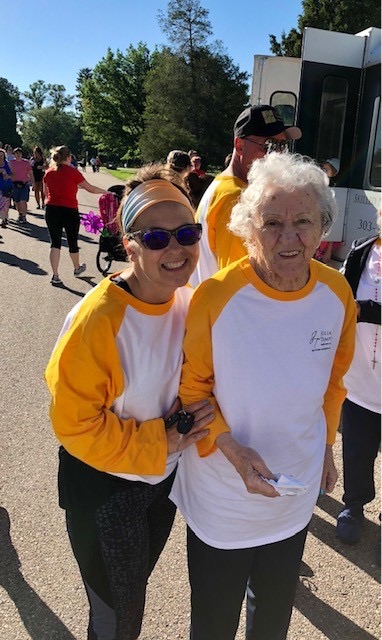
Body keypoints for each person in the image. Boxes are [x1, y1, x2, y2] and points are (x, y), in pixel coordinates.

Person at [170, 152, 357, 640]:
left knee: (273, 617)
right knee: (212, 622)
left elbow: (334, 383)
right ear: (249, 229)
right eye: (271, 222)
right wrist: (231, 449)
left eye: (303, 221)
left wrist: (327, 446)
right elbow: (192, 390)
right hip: (221, 492)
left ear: (323, 228)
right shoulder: (215, 295)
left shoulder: (338, 294)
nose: (289, 237)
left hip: (292, 490)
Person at [44, 163, 214, 640]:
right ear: (129, 243)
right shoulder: (96, 320)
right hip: (105, 492)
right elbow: (74, 426)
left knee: (132, 596)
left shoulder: (189, 302)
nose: (176, 249)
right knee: (118, 619)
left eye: (186, 232)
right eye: (157, 239)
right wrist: (163, 437)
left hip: (160, 484)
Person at [191, 104, 302, 285]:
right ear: (239, 145)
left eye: (282, 145)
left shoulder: (226, 186)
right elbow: (241, 283)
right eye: (268, 145)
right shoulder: (236, 199)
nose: (277, 155)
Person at [336, 213, 381, 545]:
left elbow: (357, 307)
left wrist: (365, 309)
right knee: (355, 451)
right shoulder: (361, 252)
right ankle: (354, 504)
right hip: (360, 384)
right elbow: (340, 299)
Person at [43, 145, 107, 285]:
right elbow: (90, 188)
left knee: (55, 243)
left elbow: (45, 192)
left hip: (52, 209)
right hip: (69, 210)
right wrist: (106, 192)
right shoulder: (73, 173)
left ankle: (55, 275)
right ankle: (77, 268)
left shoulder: (48, 173)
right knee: (72, 241)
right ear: (68, 157)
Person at [9, 148, 33, 224]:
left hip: (24, 184)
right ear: (14, 155)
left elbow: (31, 173)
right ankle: (20, 214)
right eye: (16, 153)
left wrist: (33, 183)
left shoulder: (26, 162)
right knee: (16, 202)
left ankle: (24, 217)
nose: (18, 155)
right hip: (14, 184)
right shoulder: (11, 163)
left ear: (22, 154)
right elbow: (8, 173)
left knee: (23, 201)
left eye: (19, 153)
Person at [0, 148, 14, 228]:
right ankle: (3, 219)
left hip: (7, 186)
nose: (0, 157)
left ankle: (5, 218)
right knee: (1, 204)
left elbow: (13, 174)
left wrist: (8, 176)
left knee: (6, 204)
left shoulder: (8, 164)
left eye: (2, 155)